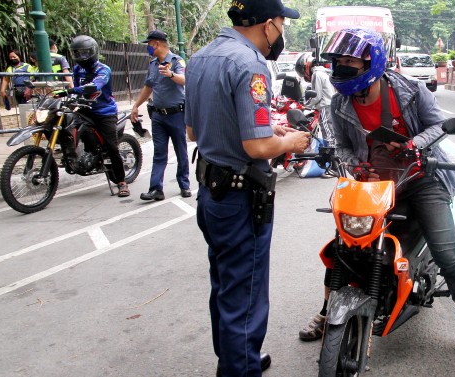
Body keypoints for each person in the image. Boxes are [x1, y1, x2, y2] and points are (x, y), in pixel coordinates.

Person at [297, 27, 455, 371]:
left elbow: (438, 126)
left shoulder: (409, 89)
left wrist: (414, 145)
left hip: (420, 179)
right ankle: (328, 312)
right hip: (373, 185)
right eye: (337, 61)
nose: (340, 67)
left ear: (372, 63)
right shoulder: (341, 101)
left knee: (447, 253)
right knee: (346, 245)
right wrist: (356, 167)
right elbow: (342, 144)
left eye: (349, 61)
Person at [184, 1, 308, 376]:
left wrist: (271, 129)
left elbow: (195, 130)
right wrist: (291, 142)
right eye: (282, 24)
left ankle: (236, 358)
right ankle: (240, 368)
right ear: (268, 25)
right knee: (246, 296)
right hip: (239, 196)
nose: (281, 32)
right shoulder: (250, 64)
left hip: (211, 193)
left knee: (225, 286)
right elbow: (256, 149)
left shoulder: (200, 59)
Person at [61, 35, 131, 197]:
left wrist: (71, 91)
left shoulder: (103, 69)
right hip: (85, 110)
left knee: (112, 147)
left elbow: (94, 86)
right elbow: (76, 86)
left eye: (84, 52)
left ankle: (121, 182)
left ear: (93, 52)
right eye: (77, 53)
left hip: (105, 113)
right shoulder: (78, 69)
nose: (81, 56)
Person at [130, 29, 191, 201]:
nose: (148, 47)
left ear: (156, 43)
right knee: (159, 153)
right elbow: (148, 87)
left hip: (176, 114)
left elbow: (185, 79)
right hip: (158, 116)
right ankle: (156, 188)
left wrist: (171, 74)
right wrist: (136, 105)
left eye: (149, 44)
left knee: (181, 151)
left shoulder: (176, 61)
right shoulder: (152, 64)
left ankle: (184, 184)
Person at [294, 52, 336, 147]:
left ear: (306, 66)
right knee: (329, 130)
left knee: (328, 132)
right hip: (328, 105)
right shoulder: (322, 72)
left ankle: (331, 154)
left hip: (325, 106)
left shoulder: (316, 74)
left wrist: (305, 106)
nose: (304, 75)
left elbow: (316, 96)